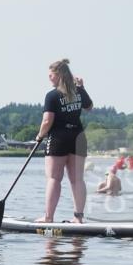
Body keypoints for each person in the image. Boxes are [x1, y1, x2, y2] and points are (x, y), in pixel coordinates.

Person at [35, 59, 93, 223]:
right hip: (78, 137)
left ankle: (48, 217)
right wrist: (82, 88)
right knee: (77, 179)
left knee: (54, 178)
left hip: (58, 139)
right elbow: (89, 107)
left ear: (59, 75)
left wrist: (39, 136)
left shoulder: (52, 95)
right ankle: (78, 218)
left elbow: (47, 120)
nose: (49, 78)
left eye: (51, 75)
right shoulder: (78, 91)